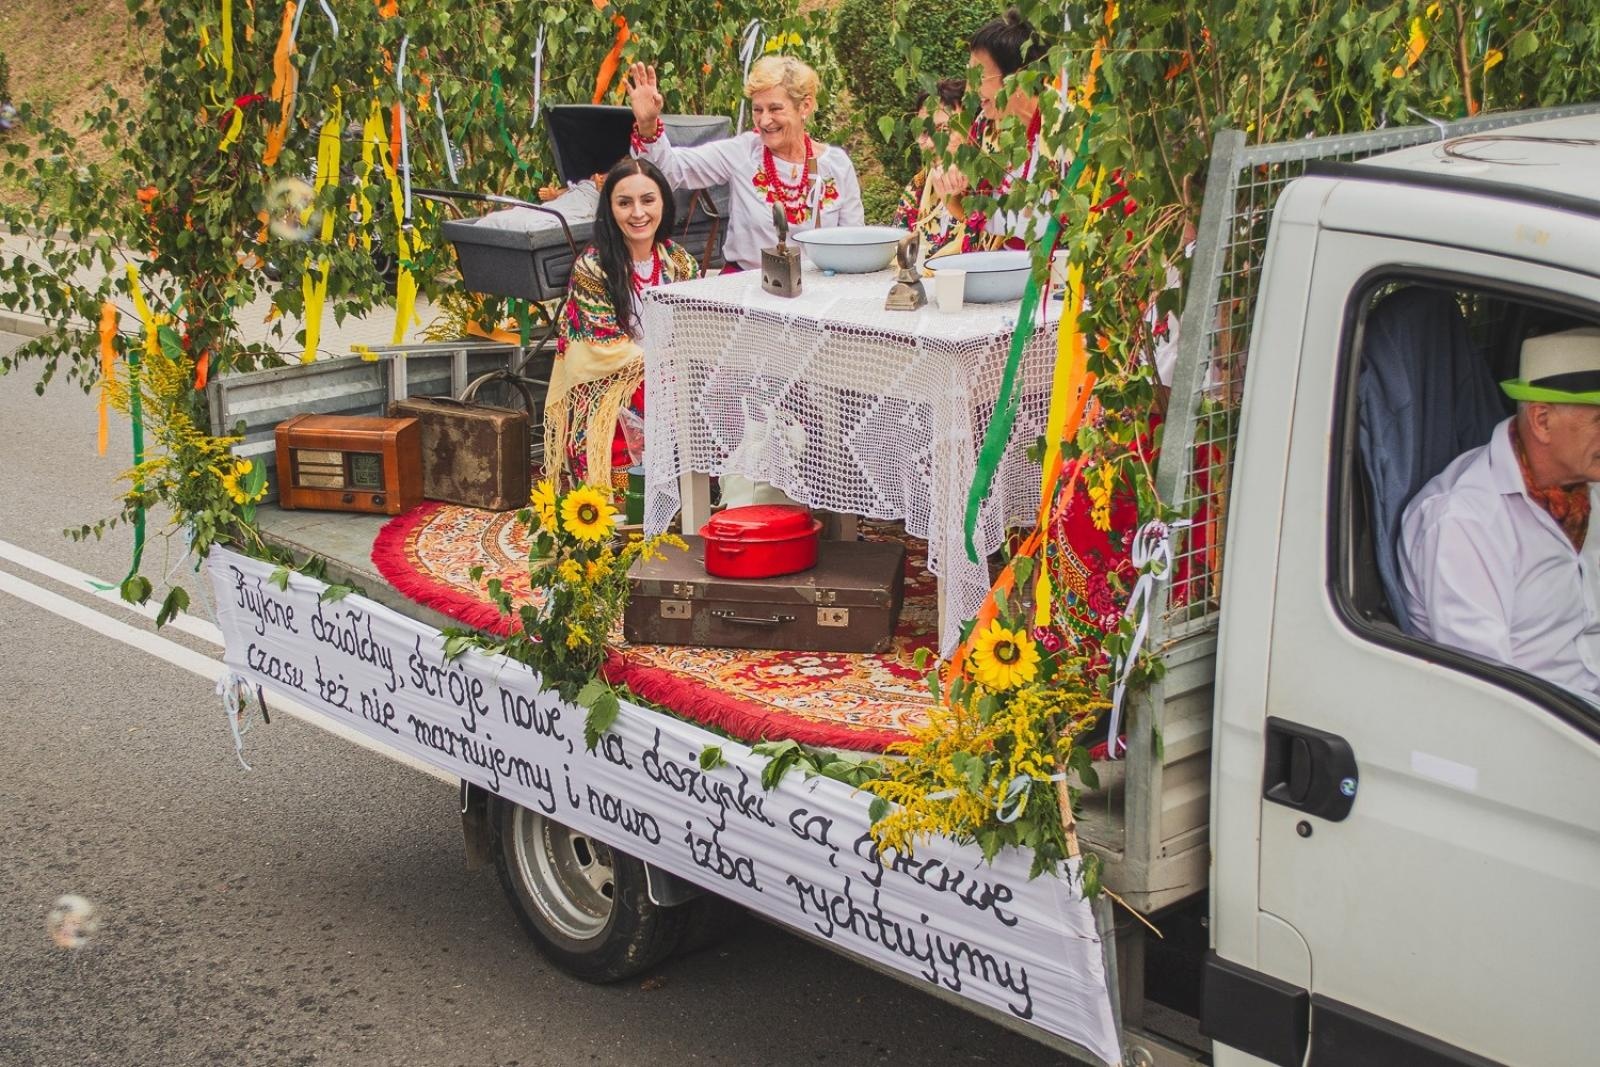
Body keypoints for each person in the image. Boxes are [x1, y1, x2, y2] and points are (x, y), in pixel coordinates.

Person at [1399, 327, 1600, 701]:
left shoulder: (1585, 483)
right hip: (1554, 727)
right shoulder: (1464, 521)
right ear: (1542, 421)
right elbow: (1490, 696)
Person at [544, 158, 702, 492]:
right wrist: (666, 373)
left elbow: (695, 332)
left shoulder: (680, 262)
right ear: (610, 210)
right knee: (648, 398)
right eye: (624, 203)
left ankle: (698, 494)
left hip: (667, 376)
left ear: (664, 203)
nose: (638, 213)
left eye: (648, 200)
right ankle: (625, 496)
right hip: (611, 385)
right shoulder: (592, 267)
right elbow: (604, 347)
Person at [625, 55, 864, 271]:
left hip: (815, 297)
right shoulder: (743, 152)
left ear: (805, 106)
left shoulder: (837, 166)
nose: (764, 120)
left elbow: (855, 244)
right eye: (757, 110)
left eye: (775, 108)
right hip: (746, 292)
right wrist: (648, 125)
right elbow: (672, 170)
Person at [929, 8, 1053, 252]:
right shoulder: (986, 127)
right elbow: (969, 211)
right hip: (1000, 269)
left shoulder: (1066, 130)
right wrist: (951, 185)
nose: (970, 90)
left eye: (980, 77)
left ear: (1018, 77)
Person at [893, 77, 969, 258]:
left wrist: (955, 205)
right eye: (924, 132)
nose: (929, 143)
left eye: (943, 130)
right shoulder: (919, 185)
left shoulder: (987, 188)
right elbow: (897, 247)